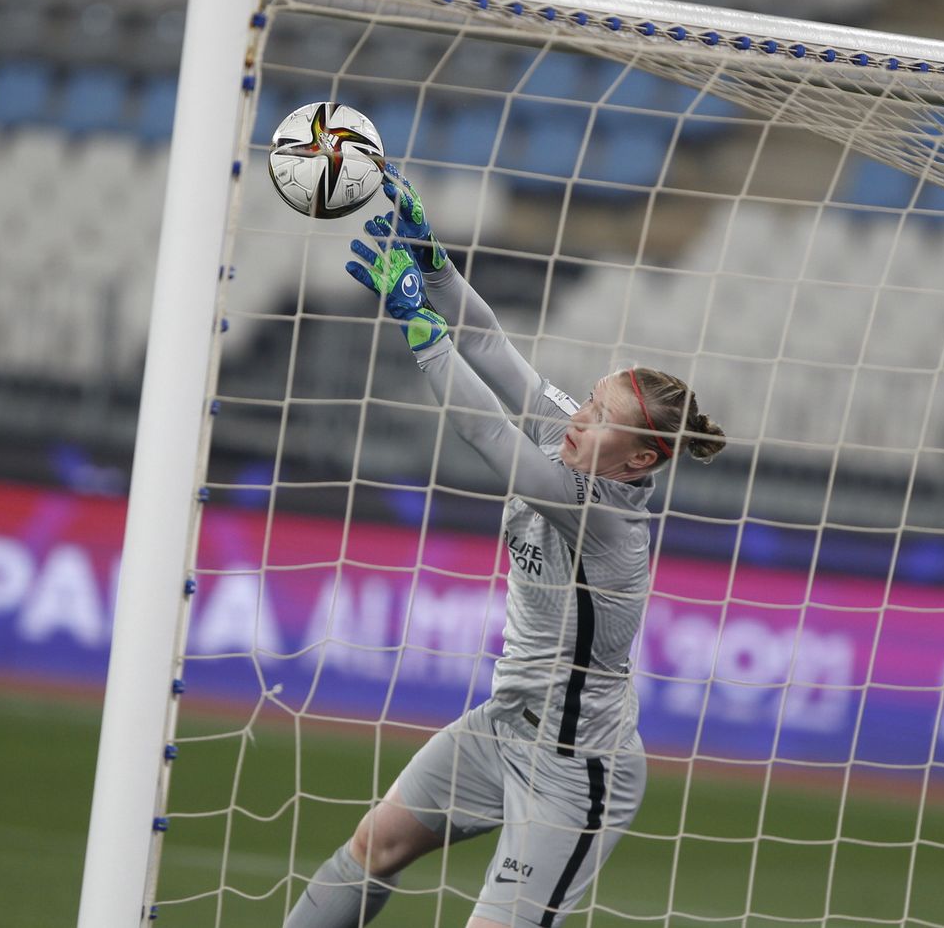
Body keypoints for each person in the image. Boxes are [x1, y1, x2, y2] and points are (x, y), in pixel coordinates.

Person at [282, 166, 726, 928]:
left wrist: (421, 332)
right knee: (376, 843)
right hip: (501, 726)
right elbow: (490, 342)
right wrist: (434, 266)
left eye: (600, 414)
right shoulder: (576, 442)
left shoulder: (605, 516)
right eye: (587, 398)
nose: (576, 415)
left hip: (574, 770)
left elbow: (488, 433)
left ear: (641, 458)